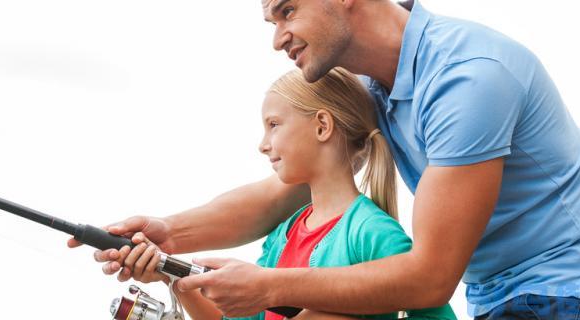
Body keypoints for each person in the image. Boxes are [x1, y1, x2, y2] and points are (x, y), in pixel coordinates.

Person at [71, 0, 580, 318]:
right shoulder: (378, 84)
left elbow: (432, 277)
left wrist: (268, 285)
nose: (278, 38)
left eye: (287, 10)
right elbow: (289, 191)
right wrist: (169, 236)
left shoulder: (467, 79)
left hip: (568, 293)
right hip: (505, 298)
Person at [122, 67, 456, 319]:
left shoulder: (373, 233)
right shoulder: (283, 235)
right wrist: (177, 278)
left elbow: (432, 310)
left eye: (274, 124)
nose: (263, 144)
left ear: (322, 126)